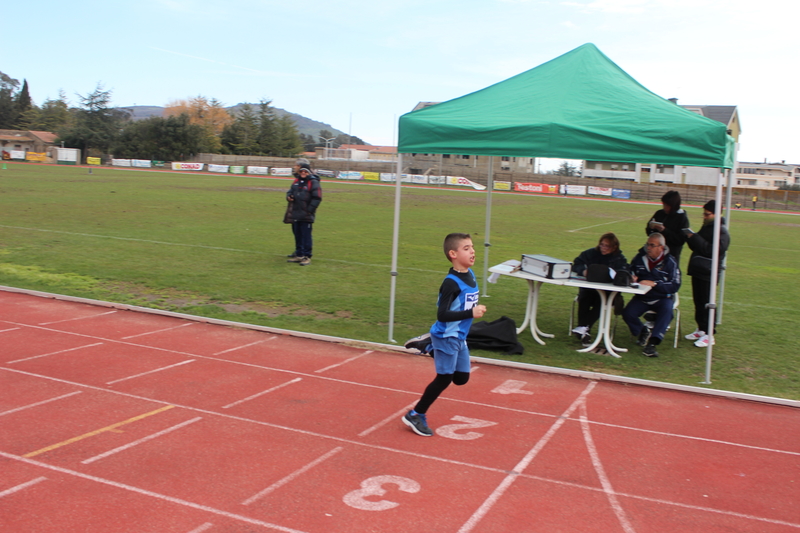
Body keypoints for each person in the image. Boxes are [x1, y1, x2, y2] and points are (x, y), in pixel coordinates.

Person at [402, 233, 487, 437]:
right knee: (444, 379)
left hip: (460, 337)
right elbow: (442, 314)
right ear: (453, 254)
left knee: (461, 379)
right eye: (466, 248)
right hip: (447, 335)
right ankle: (416, 414)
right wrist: (471, 313)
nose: (473, 251)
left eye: (472, 247)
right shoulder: (451, 283)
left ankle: (429, 346)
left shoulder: (470, 274)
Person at [622, 233, 681, 357]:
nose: (648, 248)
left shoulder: (670, 262)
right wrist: (631, 276)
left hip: (662, 297)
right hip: (642, 297)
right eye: (647, 244)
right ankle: (642, 331)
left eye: (652, 245)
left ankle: (652, 344)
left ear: (661, 247)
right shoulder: (640, 257)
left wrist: (655, 284)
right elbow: (629, 268)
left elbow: (675, 285)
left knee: (667, 311)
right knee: (628, 313)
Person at [684, 200, 731, 348]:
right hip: (699, 269)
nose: (704, 217)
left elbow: (713, 250)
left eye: (707, 214)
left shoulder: (721, 231)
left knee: (707, 302)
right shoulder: (707, 227)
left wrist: (695, 238)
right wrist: (690, 237)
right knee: (698, 301)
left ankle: (710, 334)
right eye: (703, 214)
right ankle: (701, 329)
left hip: (709, 271)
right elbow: (698, 246)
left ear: (717, 214)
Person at [570, 232, 628, 346]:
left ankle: (583, 328)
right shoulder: (591, 253)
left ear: (614, 247)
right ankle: (584, 332)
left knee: (601, 302)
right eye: (602, 244)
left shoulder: (619, 259)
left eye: (607, 246)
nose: (603, 248)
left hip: (608, 293)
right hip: (590, 290)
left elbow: (624, 273)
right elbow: (576, 263)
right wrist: (583, 271)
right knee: (584, 299)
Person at [286, 160, 322, 266]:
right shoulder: (296, 181)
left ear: (309, 172)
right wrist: (289, 197)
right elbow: (290, 191)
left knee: (306, 236)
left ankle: (307, 256)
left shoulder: (313, 182)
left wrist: (310, 210)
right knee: (297, 234)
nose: (303, 173)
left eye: (305, 172)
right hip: (296, 212)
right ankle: (299, 254)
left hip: (306, 215)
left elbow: (317, 197)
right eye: (302, 171)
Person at [645, 190, 690, 264]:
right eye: (664, 204)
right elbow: (648, 231)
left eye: (667, 205)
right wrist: (651, 227)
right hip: (654, 254)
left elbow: (680, 240)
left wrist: (664, 230)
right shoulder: (659, 213)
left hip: (671, 256)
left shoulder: (682, 218)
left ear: (674, 206)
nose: (665, 207)